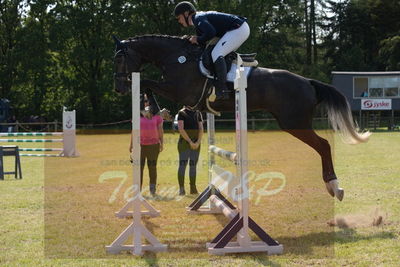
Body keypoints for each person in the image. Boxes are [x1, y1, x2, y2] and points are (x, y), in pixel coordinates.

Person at [174, 1, 250, 100]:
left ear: (186, 14)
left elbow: (210, 32)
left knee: (216, 53)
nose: (179, 21)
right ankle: (222, 82)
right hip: (237, 29)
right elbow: (203, 42)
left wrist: (197, 39)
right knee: (215, 52)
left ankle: (222, 89)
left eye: (179, 18)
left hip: (238, 29)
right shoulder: (198, 20)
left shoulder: (197, 18)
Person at [129, 94, 164, 196]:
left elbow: (160, 130)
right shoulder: (136, 115)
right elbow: (134, 131)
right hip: (140, 146)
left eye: (148, 100)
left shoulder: (157, 116)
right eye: (144, 101)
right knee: (139, 169)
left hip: (154, 145)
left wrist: (162, 143)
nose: (146, 102)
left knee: (152, 168)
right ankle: (137, 191)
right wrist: (131, 144)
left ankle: (152, 191)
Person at [177, 106, 204, 195]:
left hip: (196, 143)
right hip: (184, 143)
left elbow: (201, 128)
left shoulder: (198, 112)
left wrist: (198, 142)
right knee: (182, 165)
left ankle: (193, 188)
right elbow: (181, 129)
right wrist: (190, 142)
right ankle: (181, 189)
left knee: (193, 166)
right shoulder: (181, 112)